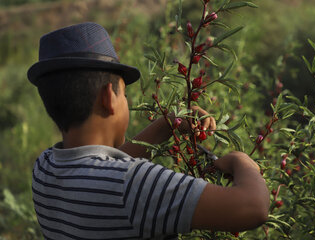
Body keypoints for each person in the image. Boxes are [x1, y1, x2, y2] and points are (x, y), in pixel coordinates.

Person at [28, 22, 269, 240]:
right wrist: (242, 162)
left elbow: (104, 169)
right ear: (108, 98)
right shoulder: (134, 185)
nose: (126, 101)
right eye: (124, 93)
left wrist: (168, 124)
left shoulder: (44, 168)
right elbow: (253, 208)